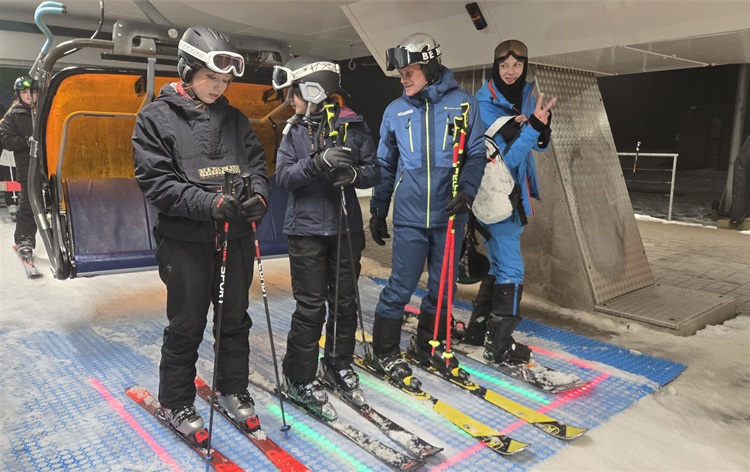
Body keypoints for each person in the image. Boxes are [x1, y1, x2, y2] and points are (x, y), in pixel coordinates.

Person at [132, 26, 270, 439]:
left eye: (224, 80)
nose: (218, 87)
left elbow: (257, 166)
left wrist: (258, 198)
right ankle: (176, 401)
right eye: (211, 77)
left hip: (235, 236)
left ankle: (232, 388)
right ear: (187, 71)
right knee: (187, 323)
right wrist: (208, 204)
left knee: (235, 320)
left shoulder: (235, 118)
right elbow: (157, 183)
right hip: (186, 242)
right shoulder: (155, 118)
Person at [368, 33, 487, 386]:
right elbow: (385, 164)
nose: (403, 80)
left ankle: (427, 346)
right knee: (400, 287)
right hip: (409, 216)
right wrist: (378, 208)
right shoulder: (396, 111)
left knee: (444, 289)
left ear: (430, 66)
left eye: (410, 72)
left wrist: (467, 191)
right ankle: (384, 351)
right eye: (401, 74)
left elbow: (476, 154)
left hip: (450, 216)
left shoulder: (464, 104)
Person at [273, 55, 379, 413]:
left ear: (313, 90)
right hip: (305, 230)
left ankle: (336, 363)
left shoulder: (354, 126)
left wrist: (354, 176)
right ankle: (298, 376)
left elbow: (373, 170)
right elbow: (283, 177)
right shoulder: (294, 131)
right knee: (311, 306)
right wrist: (317, 162)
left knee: (345, 301)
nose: (290, 100)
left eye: (295, 93)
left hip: (345, 227)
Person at [462, 39, 555, 366]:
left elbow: (539, 145)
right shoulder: (483, 105)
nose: (511, 71)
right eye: (504, 65)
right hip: (495, 196)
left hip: (512, 193)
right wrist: (532, 129)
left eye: (517, 65)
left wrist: (541, 130)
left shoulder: (528, 95)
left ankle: (479, 331)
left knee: (500, 264)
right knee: (512, 267)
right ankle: (499, 344)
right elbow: (499, 162)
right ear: (495, 67)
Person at [0, 78, 37, 254]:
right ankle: (24, 239)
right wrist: (26, 141)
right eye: (24, 92)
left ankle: (61, 238)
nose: (29, 95)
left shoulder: (47, 110)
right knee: (29, 202)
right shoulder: (13, 115)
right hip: (27, 165)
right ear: (19, 94)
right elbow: (6, 140)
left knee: (55, 202)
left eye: (32, 91)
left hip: (50, 164)